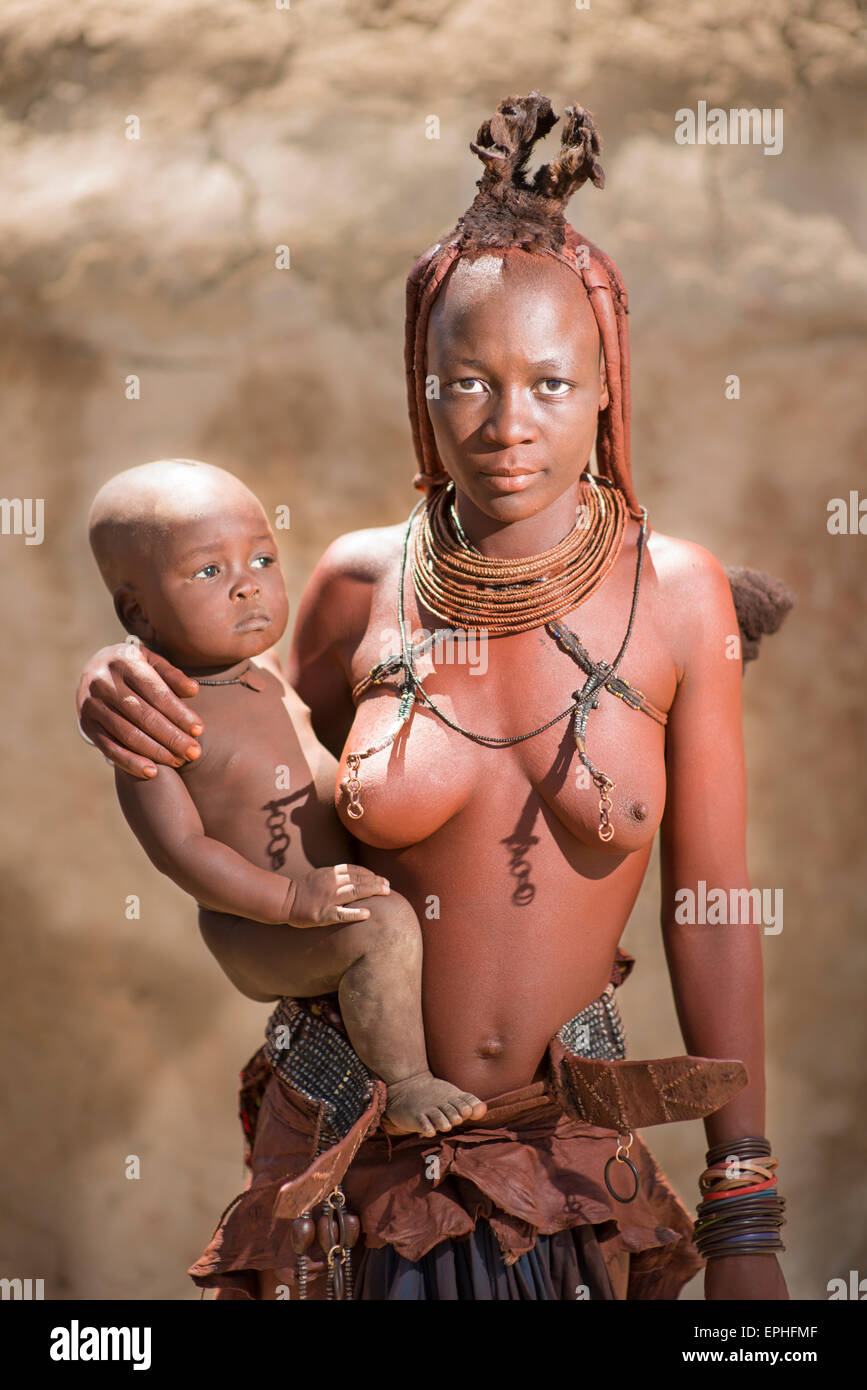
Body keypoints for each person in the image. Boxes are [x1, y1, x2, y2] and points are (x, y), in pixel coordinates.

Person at [76, 94, 792, 1301]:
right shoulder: (361, 583)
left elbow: (712, 903)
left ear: (608, 386)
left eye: (552, 384)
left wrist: (746, 1217)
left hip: (572, 1173)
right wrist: (128, 677)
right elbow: (236, 765)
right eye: (466, 384)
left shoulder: (677, 598)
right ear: (423, 389)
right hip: (359, 1164)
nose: (508, 426)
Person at [86, 458, 486, 1139]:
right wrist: (289, 903)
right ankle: (404, 1085)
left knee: (414, 909)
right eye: (209, 571)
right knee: (382, 930)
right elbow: (181, 853)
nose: (248, 588)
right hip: (257, 928)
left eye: (262, 558)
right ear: (137, 612)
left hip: (322, 901)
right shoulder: (159, 722)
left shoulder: (268, 669)